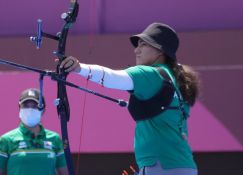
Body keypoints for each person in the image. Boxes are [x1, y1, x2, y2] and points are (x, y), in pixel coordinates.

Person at [59, 22, 200, 175]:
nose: (136, 50)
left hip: (161, 167)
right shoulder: (175, 78)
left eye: (143, 45)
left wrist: (79, 68)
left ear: (160, 51)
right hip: (183, 167)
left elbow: (114, 78)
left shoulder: (151, 74)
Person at [0, 88, 68, 175]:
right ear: (19, 108)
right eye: (25, 105)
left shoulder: (55, 139)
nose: (30, 109)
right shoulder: (6, 140)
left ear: (43, 110)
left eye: (34, 106)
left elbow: (64, 172)